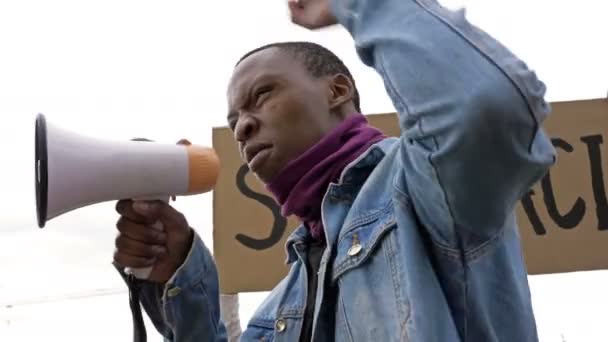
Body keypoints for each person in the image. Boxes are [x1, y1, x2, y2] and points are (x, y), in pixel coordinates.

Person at [113, 0, 556, 341]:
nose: (243, 126)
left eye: (262, 94)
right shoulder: (283, 303)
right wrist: (178, 271)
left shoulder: (421, 185)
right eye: (234, 123)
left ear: (338, 90)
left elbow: (480, 106)